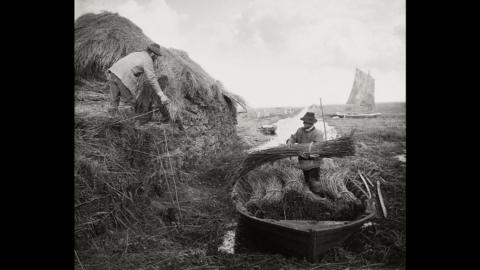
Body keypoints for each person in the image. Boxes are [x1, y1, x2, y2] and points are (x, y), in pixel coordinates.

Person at [107, 43, 171, 124]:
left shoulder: (136, 53)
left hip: (113, 72)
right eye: (156, 56)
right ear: (152, 53)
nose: (156, 58)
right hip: (124, 76)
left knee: (114, 100)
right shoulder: (147, 59)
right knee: (127, 102)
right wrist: (162, 95)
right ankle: (127, 126)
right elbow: (152, 78)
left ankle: (110, 121)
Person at [286, 112, 324, 192]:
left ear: (311, 123)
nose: (304, 123)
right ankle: (309, 195)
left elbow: (317, 149)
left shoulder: (318, 133)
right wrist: (290, 141)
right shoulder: (300, 130)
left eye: (306, 122)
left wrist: (308, 154)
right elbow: (293, 138)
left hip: (314, 163)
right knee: (306, 179)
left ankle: (319, 196)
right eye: (304, 121)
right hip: (303, 161)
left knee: (314, 182)